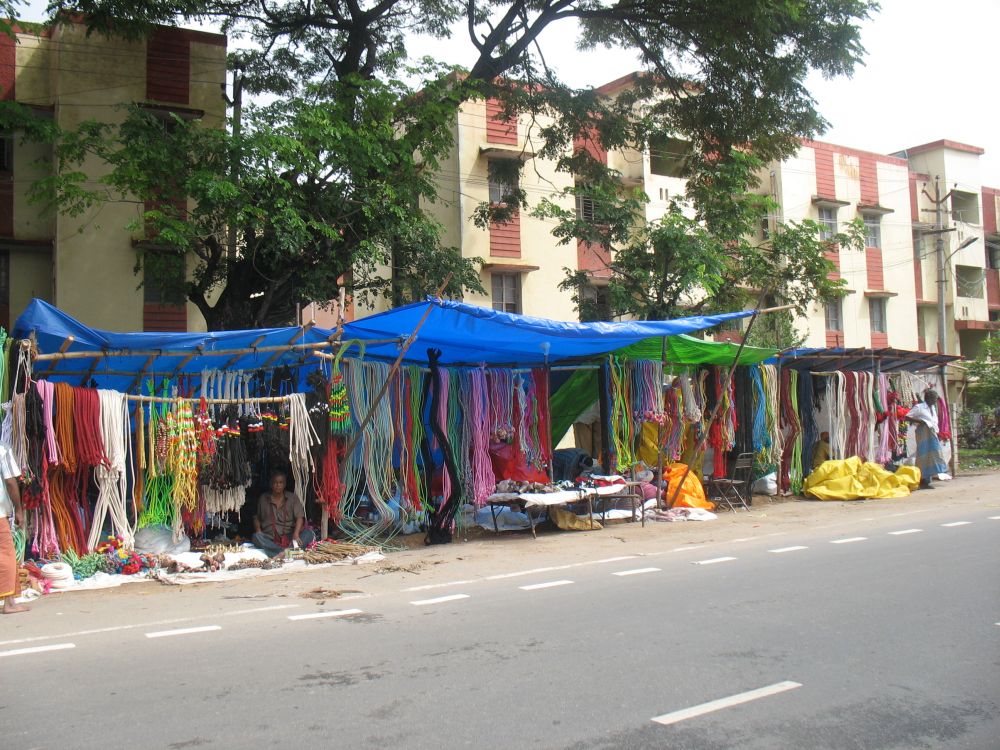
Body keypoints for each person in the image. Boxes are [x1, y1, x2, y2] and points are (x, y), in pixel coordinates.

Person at [252, 470, 315, 557]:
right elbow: (256, 518)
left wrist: (296, 534)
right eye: (275, 482)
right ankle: (285, 552)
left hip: (289, 536)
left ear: (285, 484)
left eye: (280, 482)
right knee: (256, 537)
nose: (278, 485)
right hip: (269, 538)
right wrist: (258, 530)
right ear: (271, 484)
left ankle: (283, 552)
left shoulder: (292, 498)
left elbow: (299, 517)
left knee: (309, 533)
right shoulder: (263, 498)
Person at [0, 441, 27, 614]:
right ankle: (9, 603)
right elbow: (10, 481)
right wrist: (18, 509)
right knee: (6, 555)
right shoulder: (2, 450)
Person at [906, 388, 948, 490]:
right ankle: (922, 480)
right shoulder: (919, 407)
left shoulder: (933, 408)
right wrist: (921, 421)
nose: (935, 401)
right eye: (934, 399)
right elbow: (907, 417)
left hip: (932, 433)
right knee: (923, 456)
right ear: (928, 398)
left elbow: (934, 422)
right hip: (923, 433)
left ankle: (927, 481)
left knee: (932, 455)